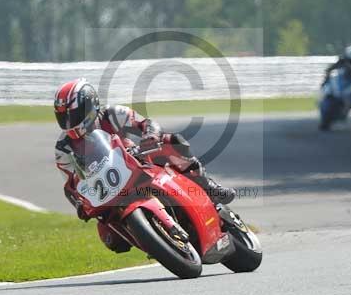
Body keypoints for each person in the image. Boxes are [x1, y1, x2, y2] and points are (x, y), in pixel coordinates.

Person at [53, 79, 236, 252]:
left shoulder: (112, 115)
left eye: (73, 115)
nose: (69, 122)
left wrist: (150, 136)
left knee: (172, 142)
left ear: (90, 105)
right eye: (64, 117)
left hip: (137, 163)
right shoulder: (63, 148)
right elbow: (71, 184)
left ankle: (209, 186)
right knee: (112, 240)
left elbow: (146, 123)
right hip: (108, 191)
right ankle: (156, 241)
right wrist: (78, 203)